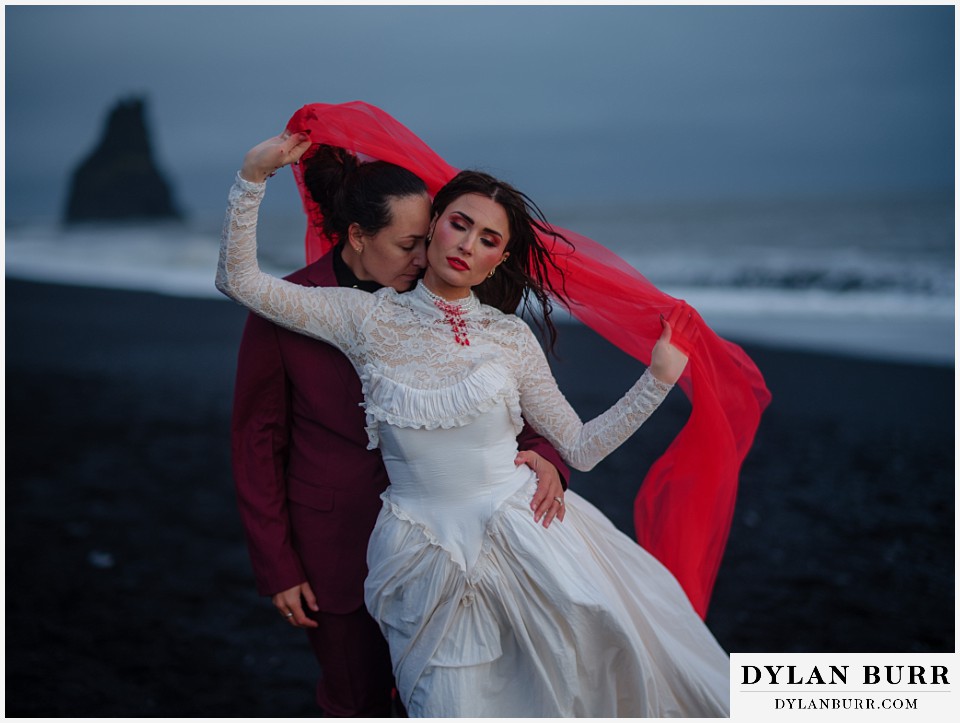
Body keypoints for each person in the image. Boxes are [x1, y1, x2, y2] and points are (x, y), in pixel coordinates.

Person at [216, 130, 730, 717]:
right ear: (435, 225)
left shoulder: (510, 336)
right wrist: (253, 178)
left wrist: (657, 381)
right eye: (459, 224)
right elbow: (241, 283)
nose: (467, 244)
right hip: (420, 553)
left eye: (488, 239)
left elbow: (581, 448)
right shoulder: (364, 316)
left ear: (498, 260)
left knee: (576, 685)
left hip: (526, 540)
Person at [230, 144, 570, 716]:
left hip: (450, 544)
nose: (423, 258)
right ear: (359, 235)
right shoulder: (291, 306)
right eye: (408, 245)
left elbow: (500, 398)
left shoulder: (441, 300)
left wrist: (548, 459)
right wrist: (278, 566)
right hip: (337, 548)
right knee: (357, 697)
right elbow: (256, 443)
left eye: (426, 238)